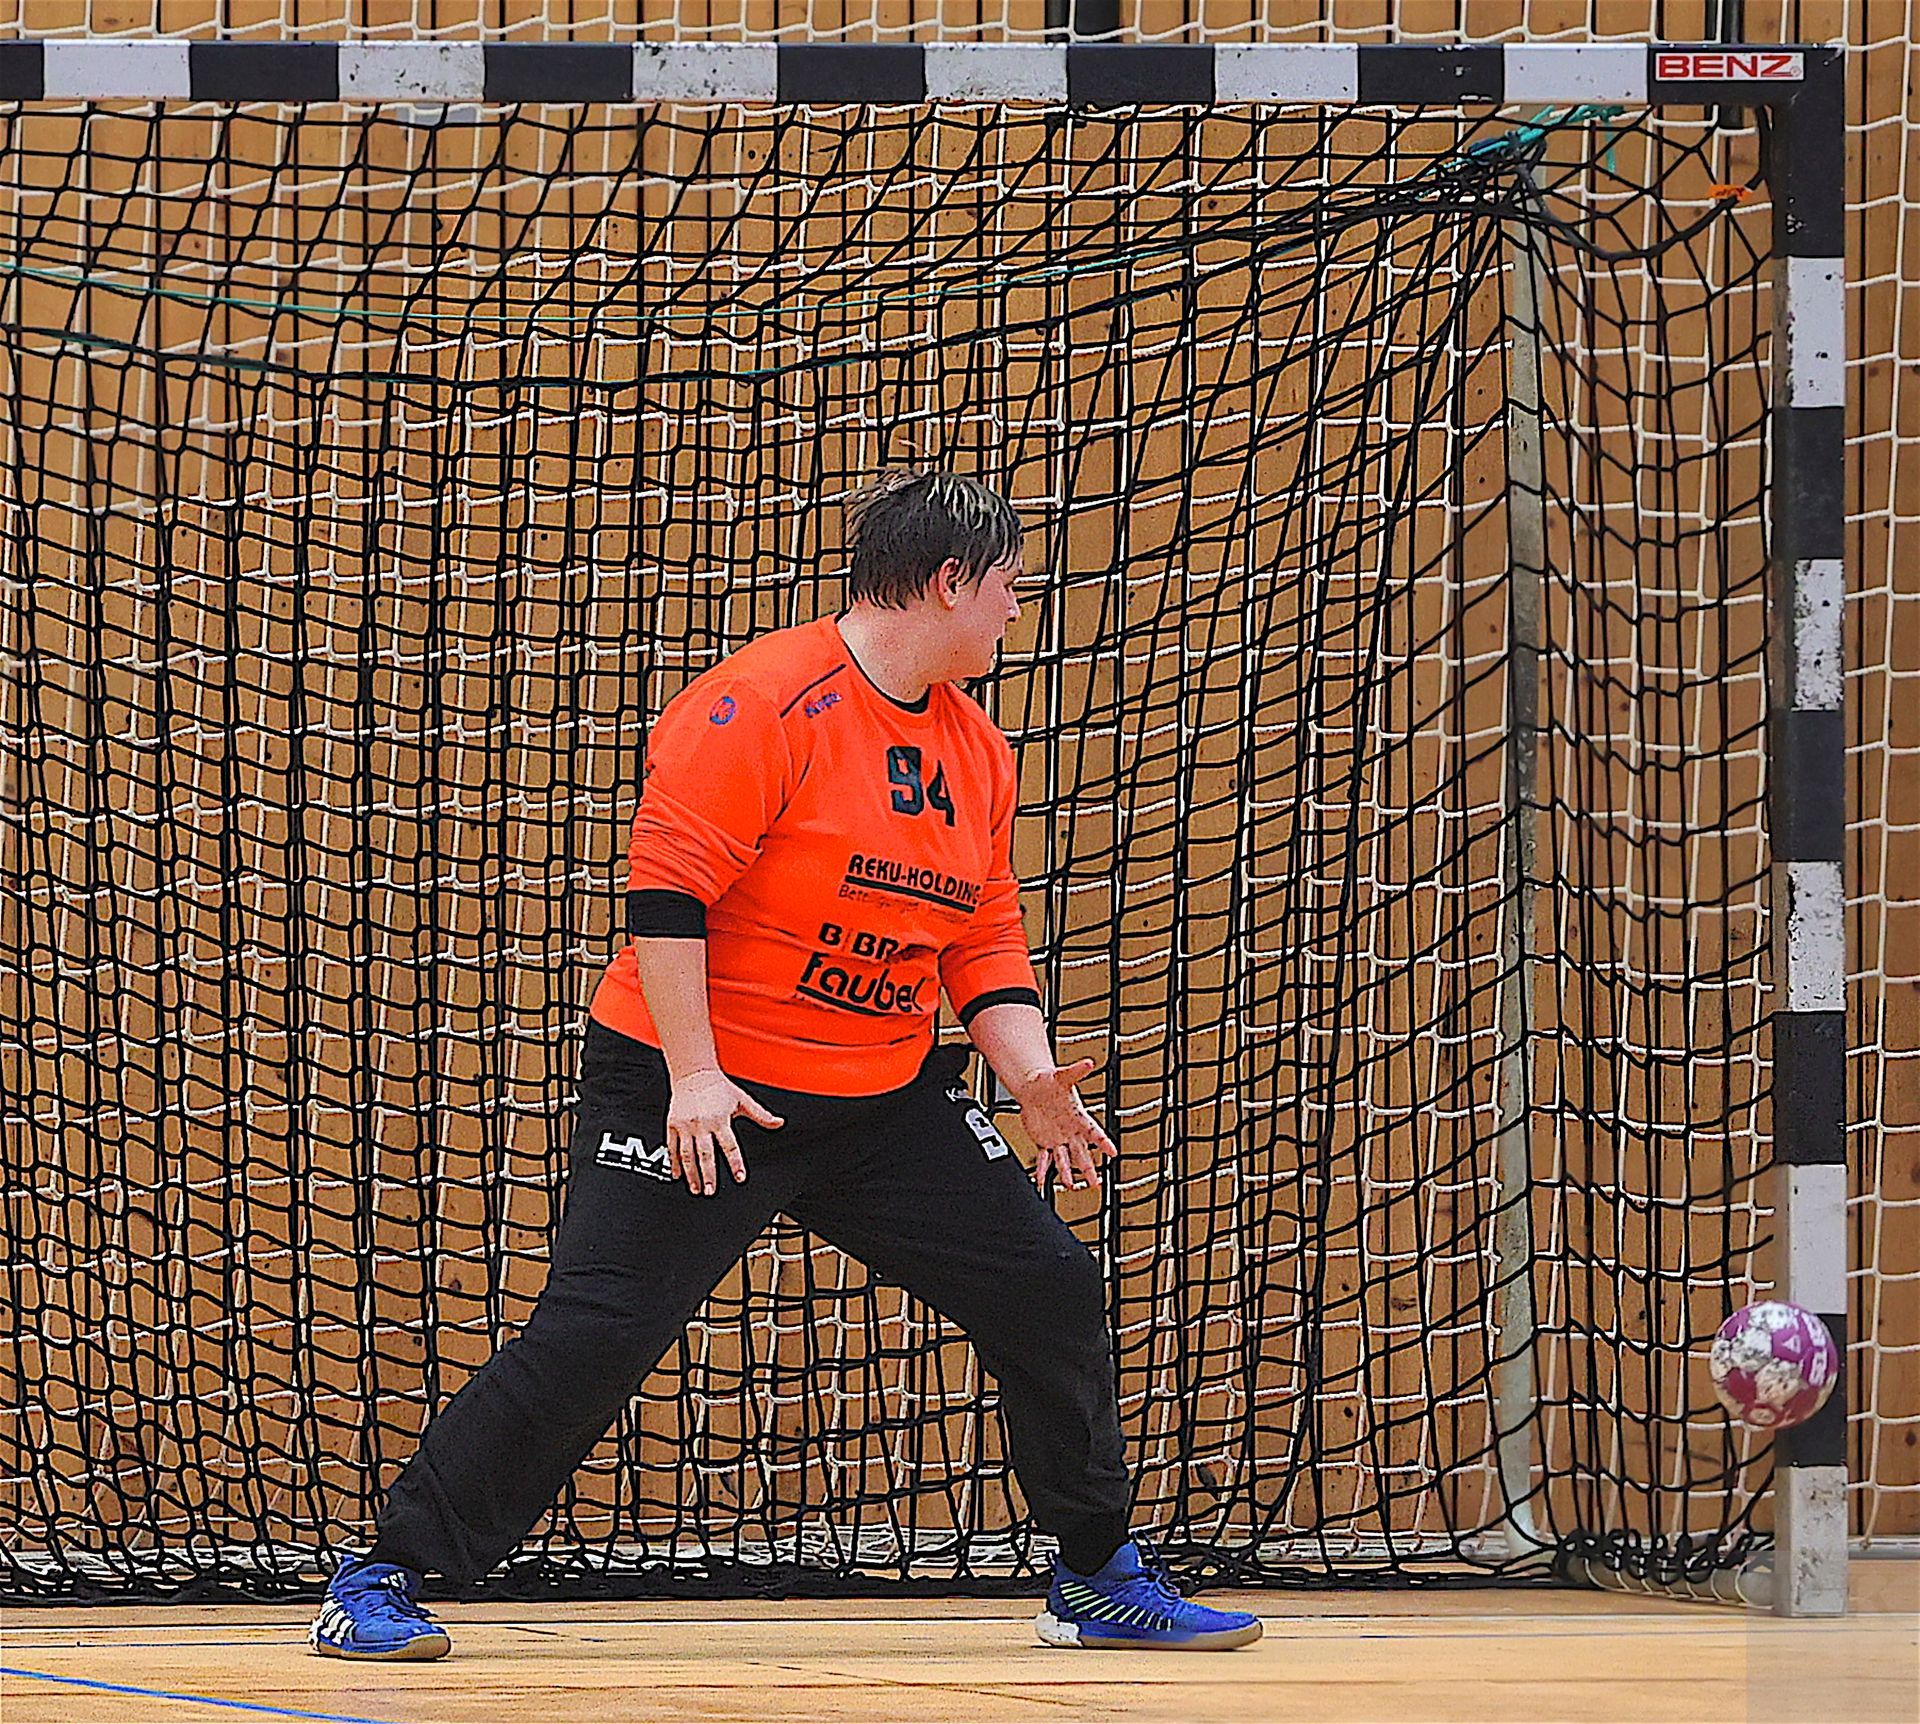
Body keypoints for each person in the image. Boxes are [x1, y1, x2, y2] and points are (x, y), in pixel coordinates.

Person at [308, 470, 1262, 1659]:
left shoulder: (977, 747)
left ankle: (1098, 1573)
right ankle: (386, 1574)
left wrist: (1029, 1076)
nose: (1019, 610)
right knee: (598, 1331)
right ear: (949, 580)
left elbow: (982, 933)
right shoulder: (761, 701)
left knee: (1050, 1285)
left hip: (879, 1097)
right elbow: (666, 896)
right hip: (704, 1085)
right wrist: (695, 1074)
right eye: (1010, 586)